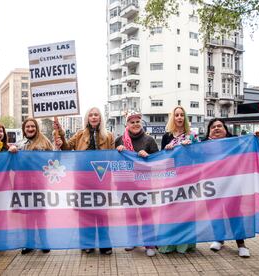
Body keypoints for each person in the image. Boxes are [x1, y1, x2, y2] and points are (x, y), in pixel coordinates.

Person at [54, 107, 115, 255]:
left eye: (96, 115)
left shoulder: (109, 136)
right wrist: (61, 134)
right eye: (91, 115)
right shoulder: (80, 135)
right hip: (83, 180)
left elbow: (113, 156)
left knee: (102, 213)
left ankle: (105, 245)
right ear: (87, 118)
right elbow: (68, 148)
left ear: (100, 118)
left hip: (101, 179)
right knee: (85, 213)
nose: (93, 117)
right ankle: (87, 244)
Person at [204, 118, 251, 258]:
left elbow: (249, 150)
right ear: (209, 131)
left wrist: (252, 139)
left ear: (226, 130)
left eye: (220, 126)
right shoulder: (203, 145)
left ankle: (241, 244)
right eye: (213, 127)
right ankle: (219, 239)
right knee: (215, 214)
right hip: (212, 186)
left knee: (235, 215)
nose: (217, 128)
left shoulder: (235, 143)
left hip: (232, 185)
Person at [115, 111, 159, 257]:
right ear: (127, 124)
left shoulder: (149, 140)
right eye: (131, 122)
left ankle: (150, 244)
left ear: (141, 123)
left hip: (144, 185)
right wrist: (118, 152)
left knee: (146, 215)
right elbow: (115, 163)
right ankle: (132, 240)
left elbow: (158, 162)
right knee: (130, 214)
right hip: (126, 184)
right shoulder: (119, 140)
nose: (135, 124)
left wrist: (148, 157)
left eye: (137, 122)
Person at [158, 106, 199, 254]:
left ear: (185, 117)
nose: (179, 117)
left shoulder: (192, 136)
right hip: (171, 178)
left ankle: (185, 245)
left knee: (186, 211)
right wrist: (167, 151)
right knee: (171, 211)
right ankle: (170, 244)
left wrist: (191, 147)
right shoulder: (167, 136)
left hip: (187, 178)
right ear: (173, 117)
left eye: (182, 115)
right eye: (177, 115)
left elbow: (198, 157)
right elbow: (162, 159)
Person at [9, 117, 53, 254]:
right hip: (24, 183)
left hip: (39, 183)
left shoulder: (45, 142)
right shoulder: (19, 144)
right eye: (27, 127)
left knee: (40, 213)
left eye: (32, 126)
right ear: (24, 129)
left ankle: (44, 242)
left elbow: (53, 161)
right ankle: (30, 243)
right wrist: (11, 153)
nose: (30, 129)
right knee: (28, 214)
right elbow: (13, 166)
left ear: (36, 128)